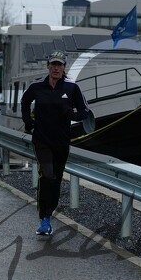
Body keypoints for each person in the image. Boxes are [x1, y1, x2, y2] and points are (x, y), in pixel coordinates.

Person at [21, 50, 90, 235]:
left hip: (61, 142)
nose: (56, 68)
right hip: (41, 140)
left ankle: (49, 212)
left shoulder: (71, 88)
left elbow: (85, 111)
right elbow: (25, 102)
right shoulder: (37, 86)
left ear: (64, 67)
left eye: (59, 65)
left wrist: (73, 115)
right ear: (48, 66)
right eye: (53, 64)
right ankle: (44, 218)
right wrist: (27, 120)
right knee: (47, 175)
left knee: (56, 179)